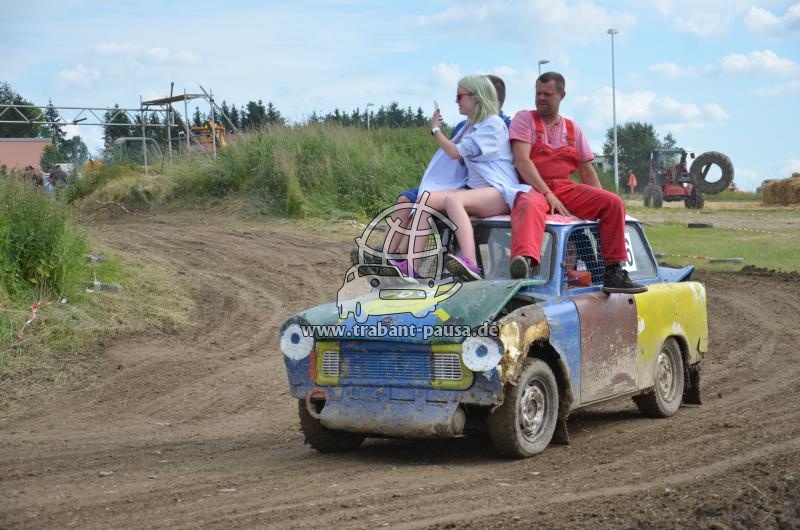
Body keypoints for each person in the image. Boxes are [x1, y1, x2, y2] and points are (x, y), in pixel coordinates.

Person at [507, 72, 646, 294]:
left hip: (564, 188)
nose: (540, 98)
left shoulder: (573, 130)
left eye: (547, 94)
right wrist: (547, 193)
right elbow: (522, 162)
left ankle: (613, 271)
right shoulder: (524, 119)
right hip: (532, 186)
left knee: (613, 203)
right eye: (538, 93)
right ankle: (524, 263)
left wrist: (602, 205)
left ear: (562, 95)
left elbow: (587, 171)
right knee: (528, 204)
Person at [387, 75, 528, 281]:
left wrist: (436, 130)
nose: (456, 101)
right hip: (477, 191)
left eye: (460, 96)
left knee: (454, 200)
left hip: (500, 191)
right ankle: (411, 264)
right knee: (426, 198)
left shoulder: (493, 124)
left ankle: (471, 264)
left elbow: (455, 153)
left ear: (476, 98)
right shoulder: (471, 125)